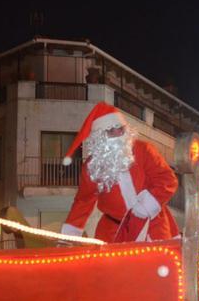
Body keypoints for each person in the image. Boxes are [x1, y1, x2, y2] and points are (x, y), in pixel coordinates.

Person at [59, 102, 179, 243]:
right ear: (100, 136)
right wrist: (68, 237)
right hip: (112, 232)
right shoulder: (92, 166)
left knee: (160, 264)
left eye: (120, 129)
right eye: (111, 130)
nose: (118, 135)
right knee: (112, 265)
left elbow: (167, 180)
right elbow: (83, 201)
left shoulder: (144, 150)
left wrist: (146, 206)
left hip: (153, 225)